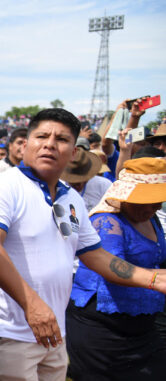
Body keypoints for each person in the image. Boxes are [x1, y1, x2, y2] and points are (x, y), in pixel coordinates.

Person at [0, 108, 166, 380]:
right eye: (41, 136)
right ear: (26, 143)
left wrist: (154, 278)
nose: (50, 143)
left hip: (53, 328)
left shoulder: (69, 197)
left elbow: (94, 254)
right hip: (10, 329)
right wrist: (33, 306)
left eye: (61, 139)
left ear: (73, 153)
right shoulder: (2, 187)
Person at [67, 157, 166, 380]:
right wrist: (156, 280)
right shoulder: (107, 222)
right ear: (127, 196)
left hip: (143, 329)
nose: (157, 207)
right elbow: (111, 267)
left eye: (159, 200)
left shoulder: (152, 220)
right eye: (150, 201)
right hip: (103, 332)